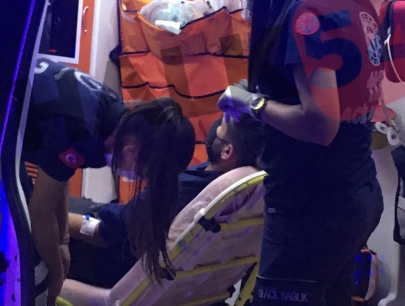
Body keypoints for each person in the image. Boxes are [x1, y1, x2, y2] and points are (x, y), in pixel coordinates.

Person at [218, 0, 385, 306]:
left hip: (311, 209)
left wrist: (250, 103)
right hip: (355, 192)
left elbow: (320, 123)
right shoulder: (352, 3)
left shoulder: (307, 17)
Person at [21, 57, 195, 306]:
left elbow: (60, 174)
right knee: (28, 248)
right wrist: (56, 272)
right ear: (132, 151)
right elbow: (40, 210)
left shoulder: (111, 113)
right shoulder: (81, 131)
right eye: (146, 174)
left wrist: (63, 240)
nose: (140, 179)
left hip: (10, 102)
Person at [65, 114, 265, 289]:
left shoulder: (186, 191)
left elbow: (104, 232)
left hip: (108, 256)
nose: (215, 126)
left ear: (227, 152)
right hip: (124, 225)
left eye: (221, 125)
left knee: (53, 211)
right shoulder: (241, 190)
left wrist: (54, 218)